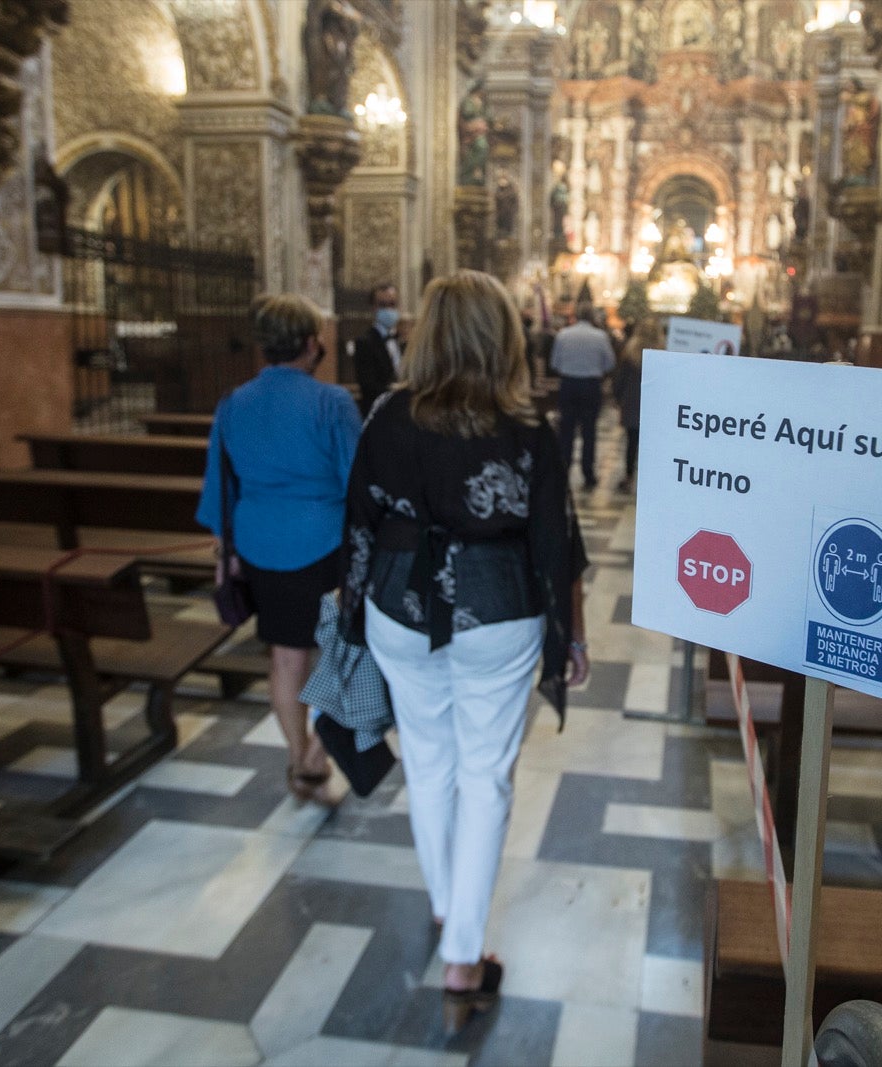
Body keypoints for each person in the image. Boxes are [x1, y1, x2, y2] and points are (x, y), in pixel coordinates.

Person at [340, 270, 589, 1032]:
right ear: (504, 338)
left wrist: (352, 614)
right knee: (485, 777)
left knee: (429, 760)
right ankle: (461, 954)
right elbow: (557, 541)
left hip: (400, 606)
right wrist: (569, 634)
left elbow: (358, 519)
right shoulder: (524, 427)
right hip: (497, 607)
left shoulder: (386, 416)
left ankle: (452, 907)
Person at [198, 293, 361, 802]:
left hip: (260, 543)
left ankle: (298, 757)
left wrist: (229, 544)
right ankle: (317, 756)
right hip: (324, 543)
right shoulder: (331, 402)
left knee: (287, 659)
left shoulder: (232, 403)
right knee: (345, 655)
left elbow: (217, 489)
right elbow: (358, 481)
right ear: (313, 345)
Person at [548, 300, 615, 490]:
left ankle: (563, 470)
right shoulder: (600, 336)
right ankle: (588, 474)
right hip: (590, 386)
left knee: (566, 431)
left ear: (575, 315)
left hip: (568, 384)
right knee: (589, 431)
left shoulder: (564, 335)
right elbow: (609, 363)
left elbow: (555, 363)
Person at [614, 316, 661, 492]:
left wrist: (619, 400)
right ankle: (650, 480)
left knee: (631, 443)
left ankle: (628, 476)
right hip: (654, 405)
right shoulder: (662, 352)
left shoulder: (630, 350)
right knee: (652, 445)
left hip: (632, 403)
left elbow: (620, 379)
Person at [352, 282, 402, 416]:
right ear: (373, 308)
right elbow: (368, 387)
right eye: (382, 305)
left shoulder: (404, 342)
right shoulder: (364, 343)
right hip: (378, 413)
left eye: (392, 304)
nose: (388, 310)